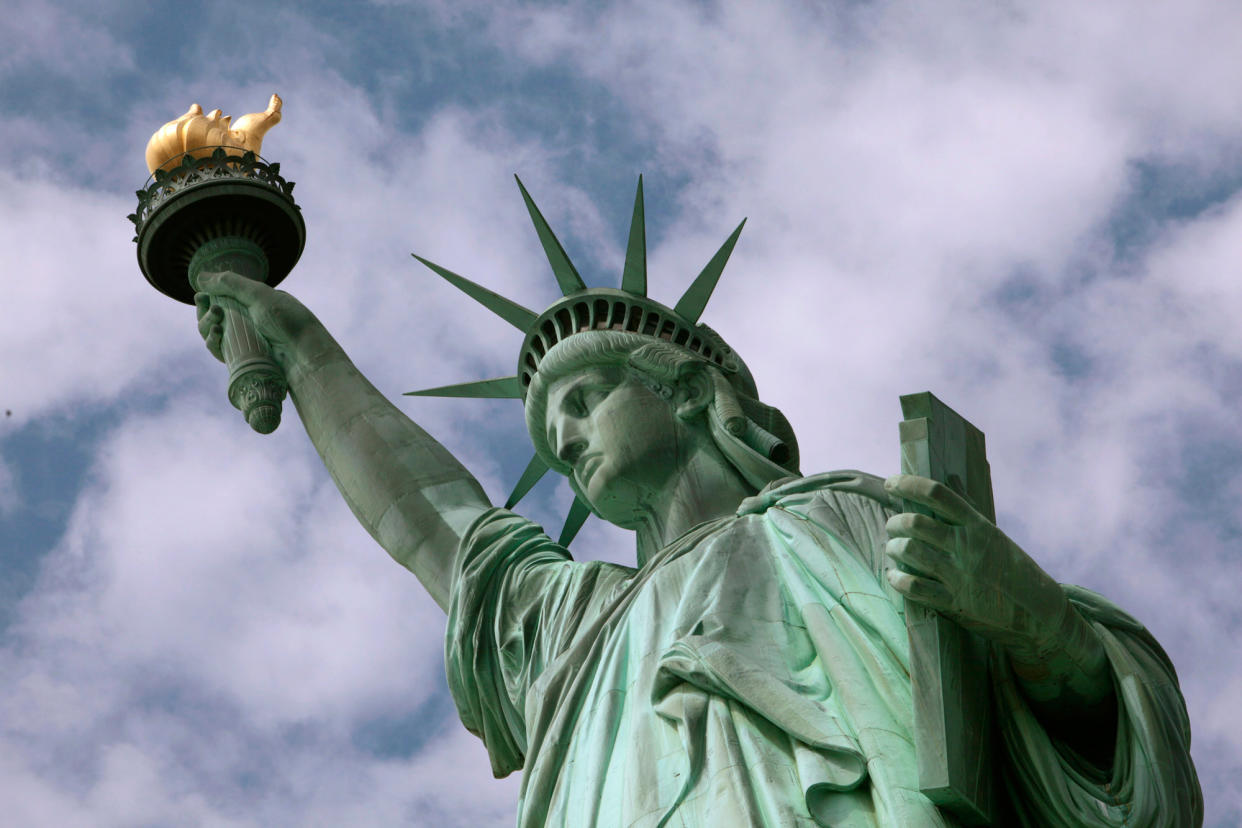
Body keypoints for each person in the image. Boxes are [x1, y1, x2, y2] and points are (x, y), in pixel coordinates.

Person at [193, 183, 1202, 827]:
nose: (570, 439)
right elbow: (437, 528)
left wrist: (1028, 616)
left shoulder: (852, 518)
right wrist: (300, 348)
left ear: (688, 392)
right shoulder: (579, 628)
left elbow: (1107, 731)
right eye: (554, 432)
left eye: (585, 402)